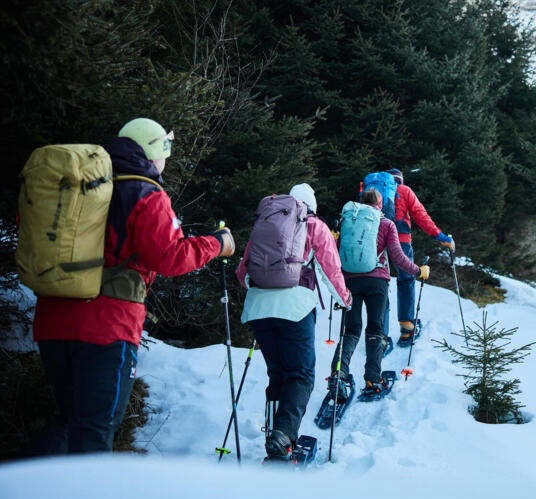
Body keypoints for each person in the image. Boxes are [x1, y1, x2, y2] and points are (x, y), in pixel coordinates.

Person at [31, 118, 235, 454]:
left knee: (68, 419)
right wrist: (217, 244)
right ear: (154, 150)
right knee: (96, 428)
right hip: (107, 324)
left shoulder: (79, 185)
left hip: (53, 317)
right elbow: (169, 257)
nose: (166, 159)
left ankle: (30, 494)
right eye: (165, 150)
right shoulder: (145, 193)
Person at [235, 183, 351, 459]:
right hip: (295, 308)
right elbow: (330, 270)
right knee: (300, 375)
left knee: (278, 374)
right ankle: (284, 436)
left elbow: (243, 272)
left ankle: (273, 437)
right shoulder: (314, 225)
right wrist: (345, 300)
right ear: (311, 204)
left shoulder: (266, 222)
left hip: (259, 309)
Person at [331, 188, 429, 398]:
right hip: (377, 283)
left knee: (351, 330)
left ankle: (338, 374)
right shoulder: (386, 224)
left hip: (350, 282)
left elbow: (336, 252)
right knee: (375, 329)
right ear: (381, 203)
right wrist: (418, 271)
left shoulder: (349, 223)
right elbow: (397, 256)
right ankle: (373, 380)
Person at [386, 169, 454, 347]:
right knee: (406, 280)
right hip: (401, 241)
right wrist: (441, 237)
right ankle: (407, 329)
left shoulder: (373, 191)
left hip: (377, 242)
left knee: (380, 285)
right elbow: (420, 215)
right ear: (400, 180)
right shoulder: (404, 191)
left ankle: (380, 338)